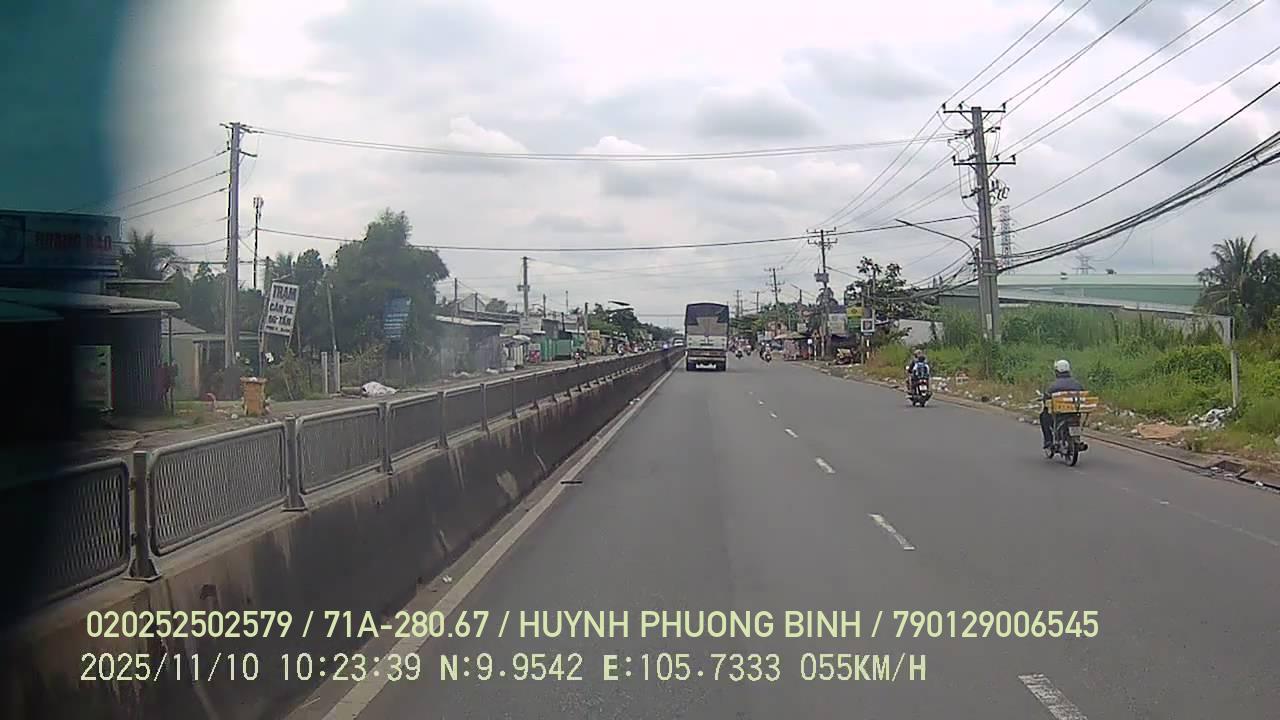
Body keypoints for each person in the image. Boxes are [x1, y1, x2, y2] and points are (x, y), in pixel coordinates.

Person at [1040, 359, 1085, 448]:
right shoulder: (1077, 384)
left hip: (1060, 412)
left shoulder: (1053, 386)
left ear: (1057, 371)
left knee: (1044, 416)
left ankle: (1048, 441)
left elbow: (1047, 399)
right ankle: (1076, 439)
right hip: (1075, 411)